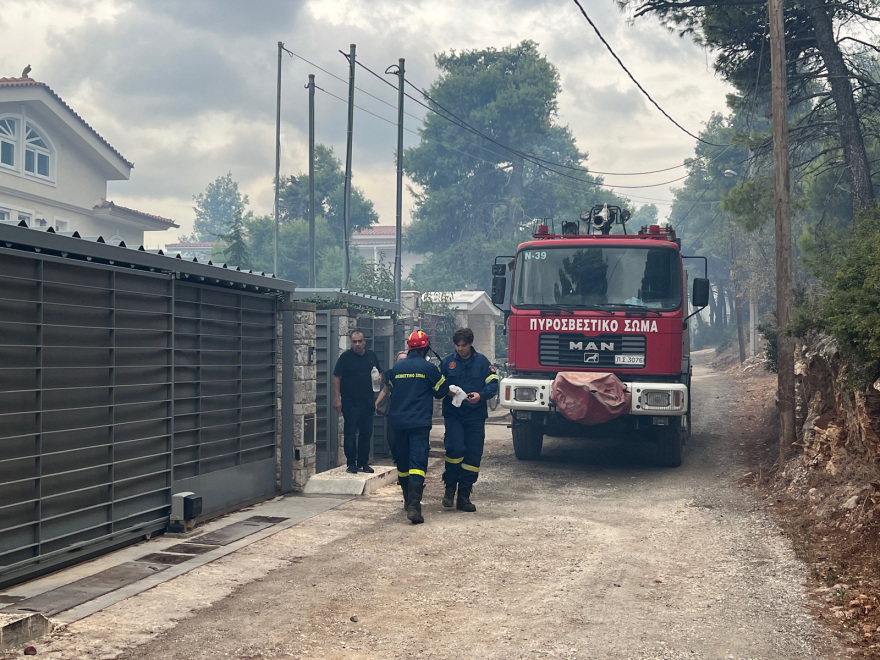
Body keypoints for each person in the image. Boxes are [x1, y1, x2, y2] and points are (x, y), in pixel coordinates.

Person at [385, 330, 450, 524]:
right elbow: (441, 392)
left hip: (397, 422)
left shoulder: (396, 369)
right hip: (419, 423)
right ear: (425, 348)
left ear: (409, 347)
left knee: (403, 464)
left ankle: (407, 500)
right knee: (418, 463)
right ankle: (414, 505)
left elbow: (391, 387)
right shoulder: (428, 368)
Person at [439, 327, 499, 512]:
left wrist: (481, 395)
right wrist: (446, 390)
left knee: (473, 455)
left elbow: (494, 382)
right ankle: (450, 489)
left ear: (470, 344)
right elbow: (437, 385)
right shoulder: (448, 362)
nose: (460, 349)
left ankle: (464, 496)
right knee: (455, 449)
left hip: (475, 415)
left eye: (463, 346)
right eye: (457, 345)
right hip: (454, 415)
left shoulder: (481, 362)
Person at [333, 330, 382, 474]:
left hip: (367, 402)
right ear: (351, 343)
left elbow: (379, 372)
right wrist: (337, 399)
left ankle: (363, 462)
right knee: (350, 433)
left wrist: (379, 377)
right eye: (354, 342)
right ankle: (351, 463)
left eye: (360, 341)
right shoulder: (345, 358)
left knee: (366, 433)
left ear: (364, 342)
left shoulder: (371, 356)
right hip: (350, 402)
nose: (357, 344)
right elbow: (337, 378)